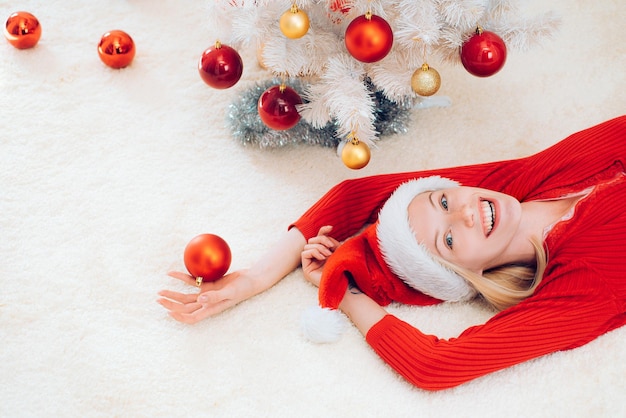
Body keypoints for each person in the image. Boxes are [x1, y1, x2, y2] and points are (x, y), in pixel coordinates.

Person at [158, 115, 626, 391]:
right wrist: (341, 291)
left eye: (443, 199)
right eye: (447, 240)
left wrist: (258, 277)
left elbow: (354, 194)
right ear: (469, 275)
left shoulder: (510, 186)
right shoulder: (580, 289)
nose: (461, 212)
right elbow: (434, 365)